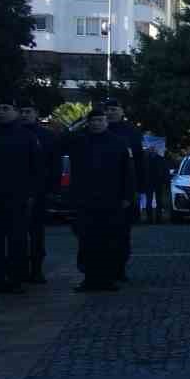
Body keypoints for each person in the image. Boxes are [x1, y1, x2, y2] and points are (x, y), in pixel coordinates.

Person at [0, 99, 45, 294]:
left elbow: (37, 168)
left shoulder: (27, 136)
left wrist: (32, 193)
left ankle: (15, 278)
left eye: (6, 109)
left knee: (17, 239)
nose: (1, 112)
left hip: (17, 197)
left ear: (16, 112)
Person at [67, 107, 135, 291]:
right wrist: (77, 126)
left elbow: (127, 172)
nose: (96, 124)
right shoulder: (79, 141)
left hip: (111, 199)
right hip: (85, 199)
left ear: (106, 122)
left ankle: (107, 278)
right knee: (86, 240)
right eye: (93, 121)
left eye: (100, 120)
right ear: (87, 123)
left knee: (109, 241)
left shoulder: (119, 143)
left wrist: (127, 196)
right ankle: (89, 278)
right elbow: (60, 142)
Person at [16, 100, 60, 283]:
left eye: (28, 111)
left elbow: (54, 164)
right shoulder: (15, 133)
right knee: (17, 233)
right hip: (16, 190)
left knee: (36, 233)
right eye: (22, 111)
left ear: (36, 114)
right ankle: (20, 269)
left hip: (39, 191)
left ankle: (36, 269)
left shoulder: (47, 136)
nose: (25, 115)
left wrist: (52, 188)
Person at [103, 98, 144, 277]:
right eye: (108, 110)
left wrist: (137, 189)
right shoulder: (98, 129)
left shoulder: (132, 132)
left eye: (114, 109)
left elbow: (139, 162)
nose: (110, 112)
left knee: (121, 234)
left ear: (121, 111)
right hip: (101, 190)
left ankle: (119, 268)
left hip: (124, 191)